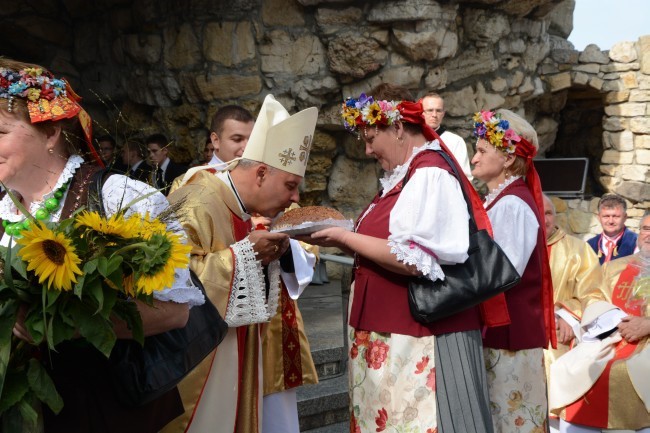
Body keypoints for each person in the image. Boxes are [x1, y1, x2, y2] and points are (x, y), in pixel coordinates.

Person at [0, 59, 204, 433]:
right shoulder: (3, 205)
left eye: (0, 132)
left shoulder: (117, 197)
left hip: (105, 405)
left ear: (50, 134)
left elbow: (175, 312)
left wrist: (68, 326)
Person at [306, 83, 505, 433]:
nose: (367, 150)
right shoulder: (402, 176)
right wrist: (345, 237)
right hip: (390, 332)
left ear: (398, 127)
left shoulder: (429, 172)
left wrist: (343, 236)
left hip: (416, 337)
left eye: (371, 139)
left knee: (417, 421)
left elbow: (416, 258)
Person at [162, 94, 319, 433]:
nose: (295, 198)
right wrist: (243, 256)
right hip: (201, 365)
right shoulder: (196, 199)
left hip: (242, 350)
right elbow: (168, 286)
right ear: (261, 173)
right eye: (290, 186)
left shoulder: (242, 204)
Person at [470, 109, 556, 433]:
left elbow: (500, 273)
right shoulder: (499, 201)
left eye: (481, 150)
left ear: (507, 158)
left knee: (512, 423)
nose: (474, 158)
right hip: (499, 336)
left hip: (510, 341)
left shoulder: (513, 205)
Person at [550, 210, 650, 433]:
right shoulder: (615, 267)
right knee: (569, 367)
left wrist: (647, 325)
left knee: (623, 371)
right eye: (646, 229)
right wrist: (567, 315)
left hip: (646, 344)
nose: (649, 235)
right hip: (611, 336)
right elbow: (592, 296)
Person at [543, 194, 603, 432]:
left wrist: (567, 314)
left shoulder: (577, 250)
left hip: (560, 341)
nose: (544, 218)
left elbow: (594, 293)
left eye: (549, 213)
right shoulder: (517, 246)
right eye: (538, 211)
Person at [421, 92, 473, 180]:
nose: (434, 115)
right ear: (422, 113)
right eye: (430, 110)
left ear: (443, 113)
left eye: (438, 111)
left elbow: (465, 178)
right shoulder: (413, 139)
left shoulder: (455, 141)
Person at [587, 193, 639, 264]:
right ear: (599, 217)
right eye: (606, 216)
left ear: (625, 217)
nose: (610, 221)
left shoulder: (637, 243)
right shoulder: (589, 245)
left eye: (616, 216)